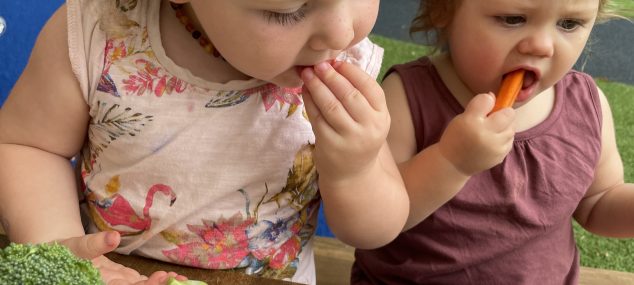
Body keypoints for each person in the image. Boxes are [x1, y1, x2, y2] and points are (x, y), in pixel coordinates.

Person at [0, 0, 410, 284]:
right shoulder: (99, 31)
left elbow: (375, 230)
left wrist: (357, 168)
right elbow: (28, 146)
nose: (342, 30)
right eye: (286, 10)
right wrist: (57, 245)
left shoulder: (348, 64)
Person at [351, 0, 632, 284]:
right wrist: (451, 162)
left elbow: (599, 202)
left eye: (569, 24)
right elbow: (375, 221)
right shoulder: (406, 98)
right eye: (512, 19)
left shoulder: (585, 105)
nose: (543, 46)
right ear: (441, 10)